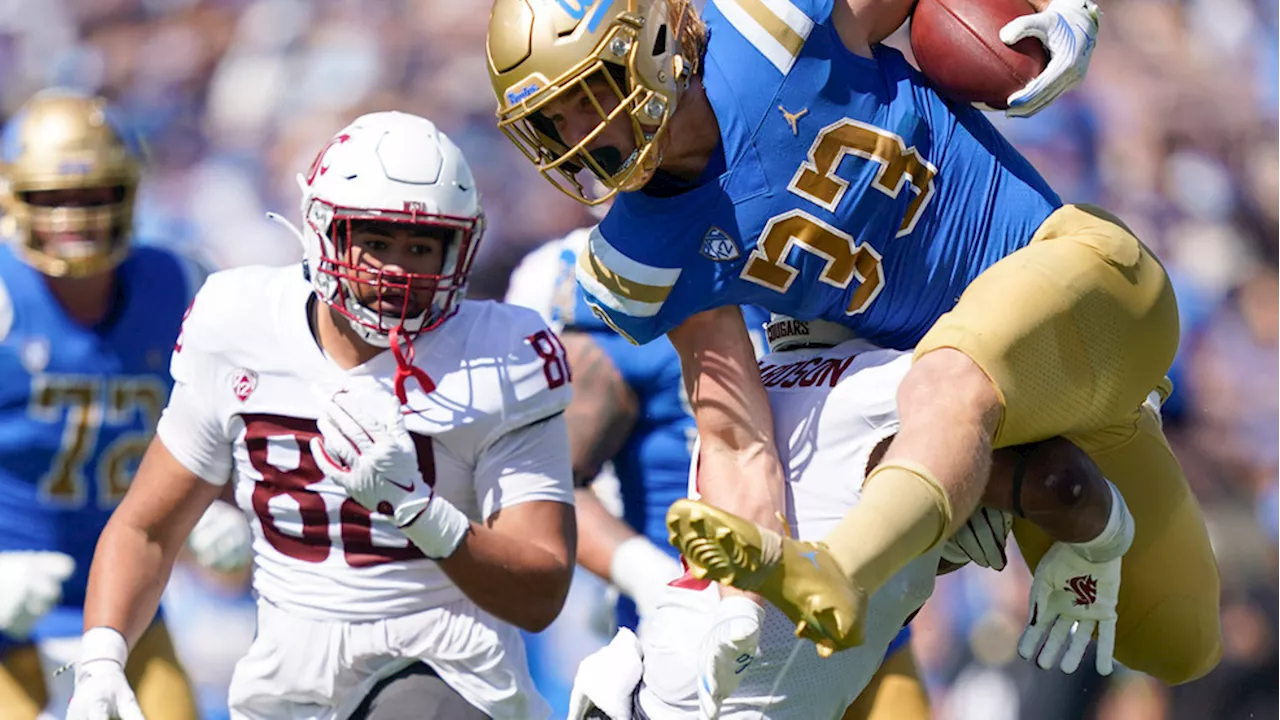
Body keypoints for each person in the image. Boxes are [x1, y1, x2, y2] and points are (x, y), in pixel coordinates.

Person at [484, 0, 1220, 685]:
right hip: (1022, 403)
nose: (584, 132)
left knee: (942, 380)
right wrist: (742, 604)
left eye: (592, 90)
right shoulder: (644, 252)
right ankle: (1088, 528)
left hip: (1078, 276)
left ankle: (843, 567)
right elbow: (737, 438)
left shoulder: (764, 23)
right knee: (1178, 643)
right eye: (554, 118)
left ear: (646, 41)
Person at [63, 111, 577, 720]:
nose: (397, 270)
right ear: (324, 232)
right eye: (377, 241)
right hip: (288, 683)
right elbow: (147, 527)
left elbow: (541, 590)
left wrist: (419, 511)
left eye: (420, 246)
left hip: (446, 670)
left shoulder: (502, 353)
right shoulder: (239, 320)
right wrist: (100, 661)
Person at [567, 315, 1136, 719]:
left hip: (648, 684)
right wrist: (1100, 542)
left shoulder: (756, 379)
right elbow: (1063, 486)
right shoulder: (895, 388)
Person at [508, 230, 932, 719]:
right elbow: (552, 481)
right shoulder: (630, 299)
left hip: (861, 613)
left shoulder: (803, 271)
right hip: (704, 629)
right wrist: (645, 574)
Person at [0, 89, 243, 720]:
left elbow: (228, 428)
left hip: (127, 597)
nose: (72, 216)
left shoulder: (181, 285)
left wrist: (219, 509)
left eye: (93, 194)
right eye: (52, 197)